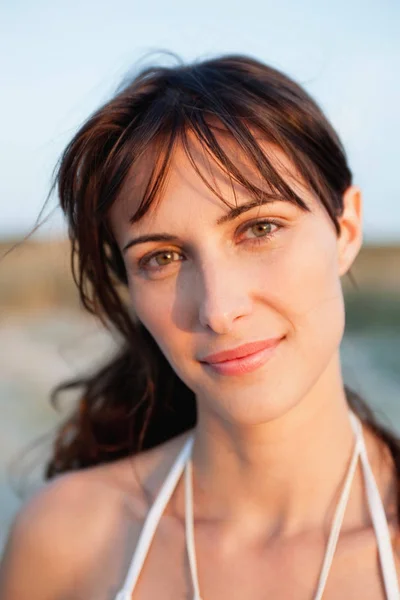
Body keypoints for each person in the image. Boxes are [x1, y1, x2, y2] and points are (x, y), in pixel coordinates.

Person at [0, 54, 399, 600]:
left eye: (259, 228)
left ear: (346, 230)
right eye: (161, 258)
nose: (218, 307)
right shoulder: (64, 542)